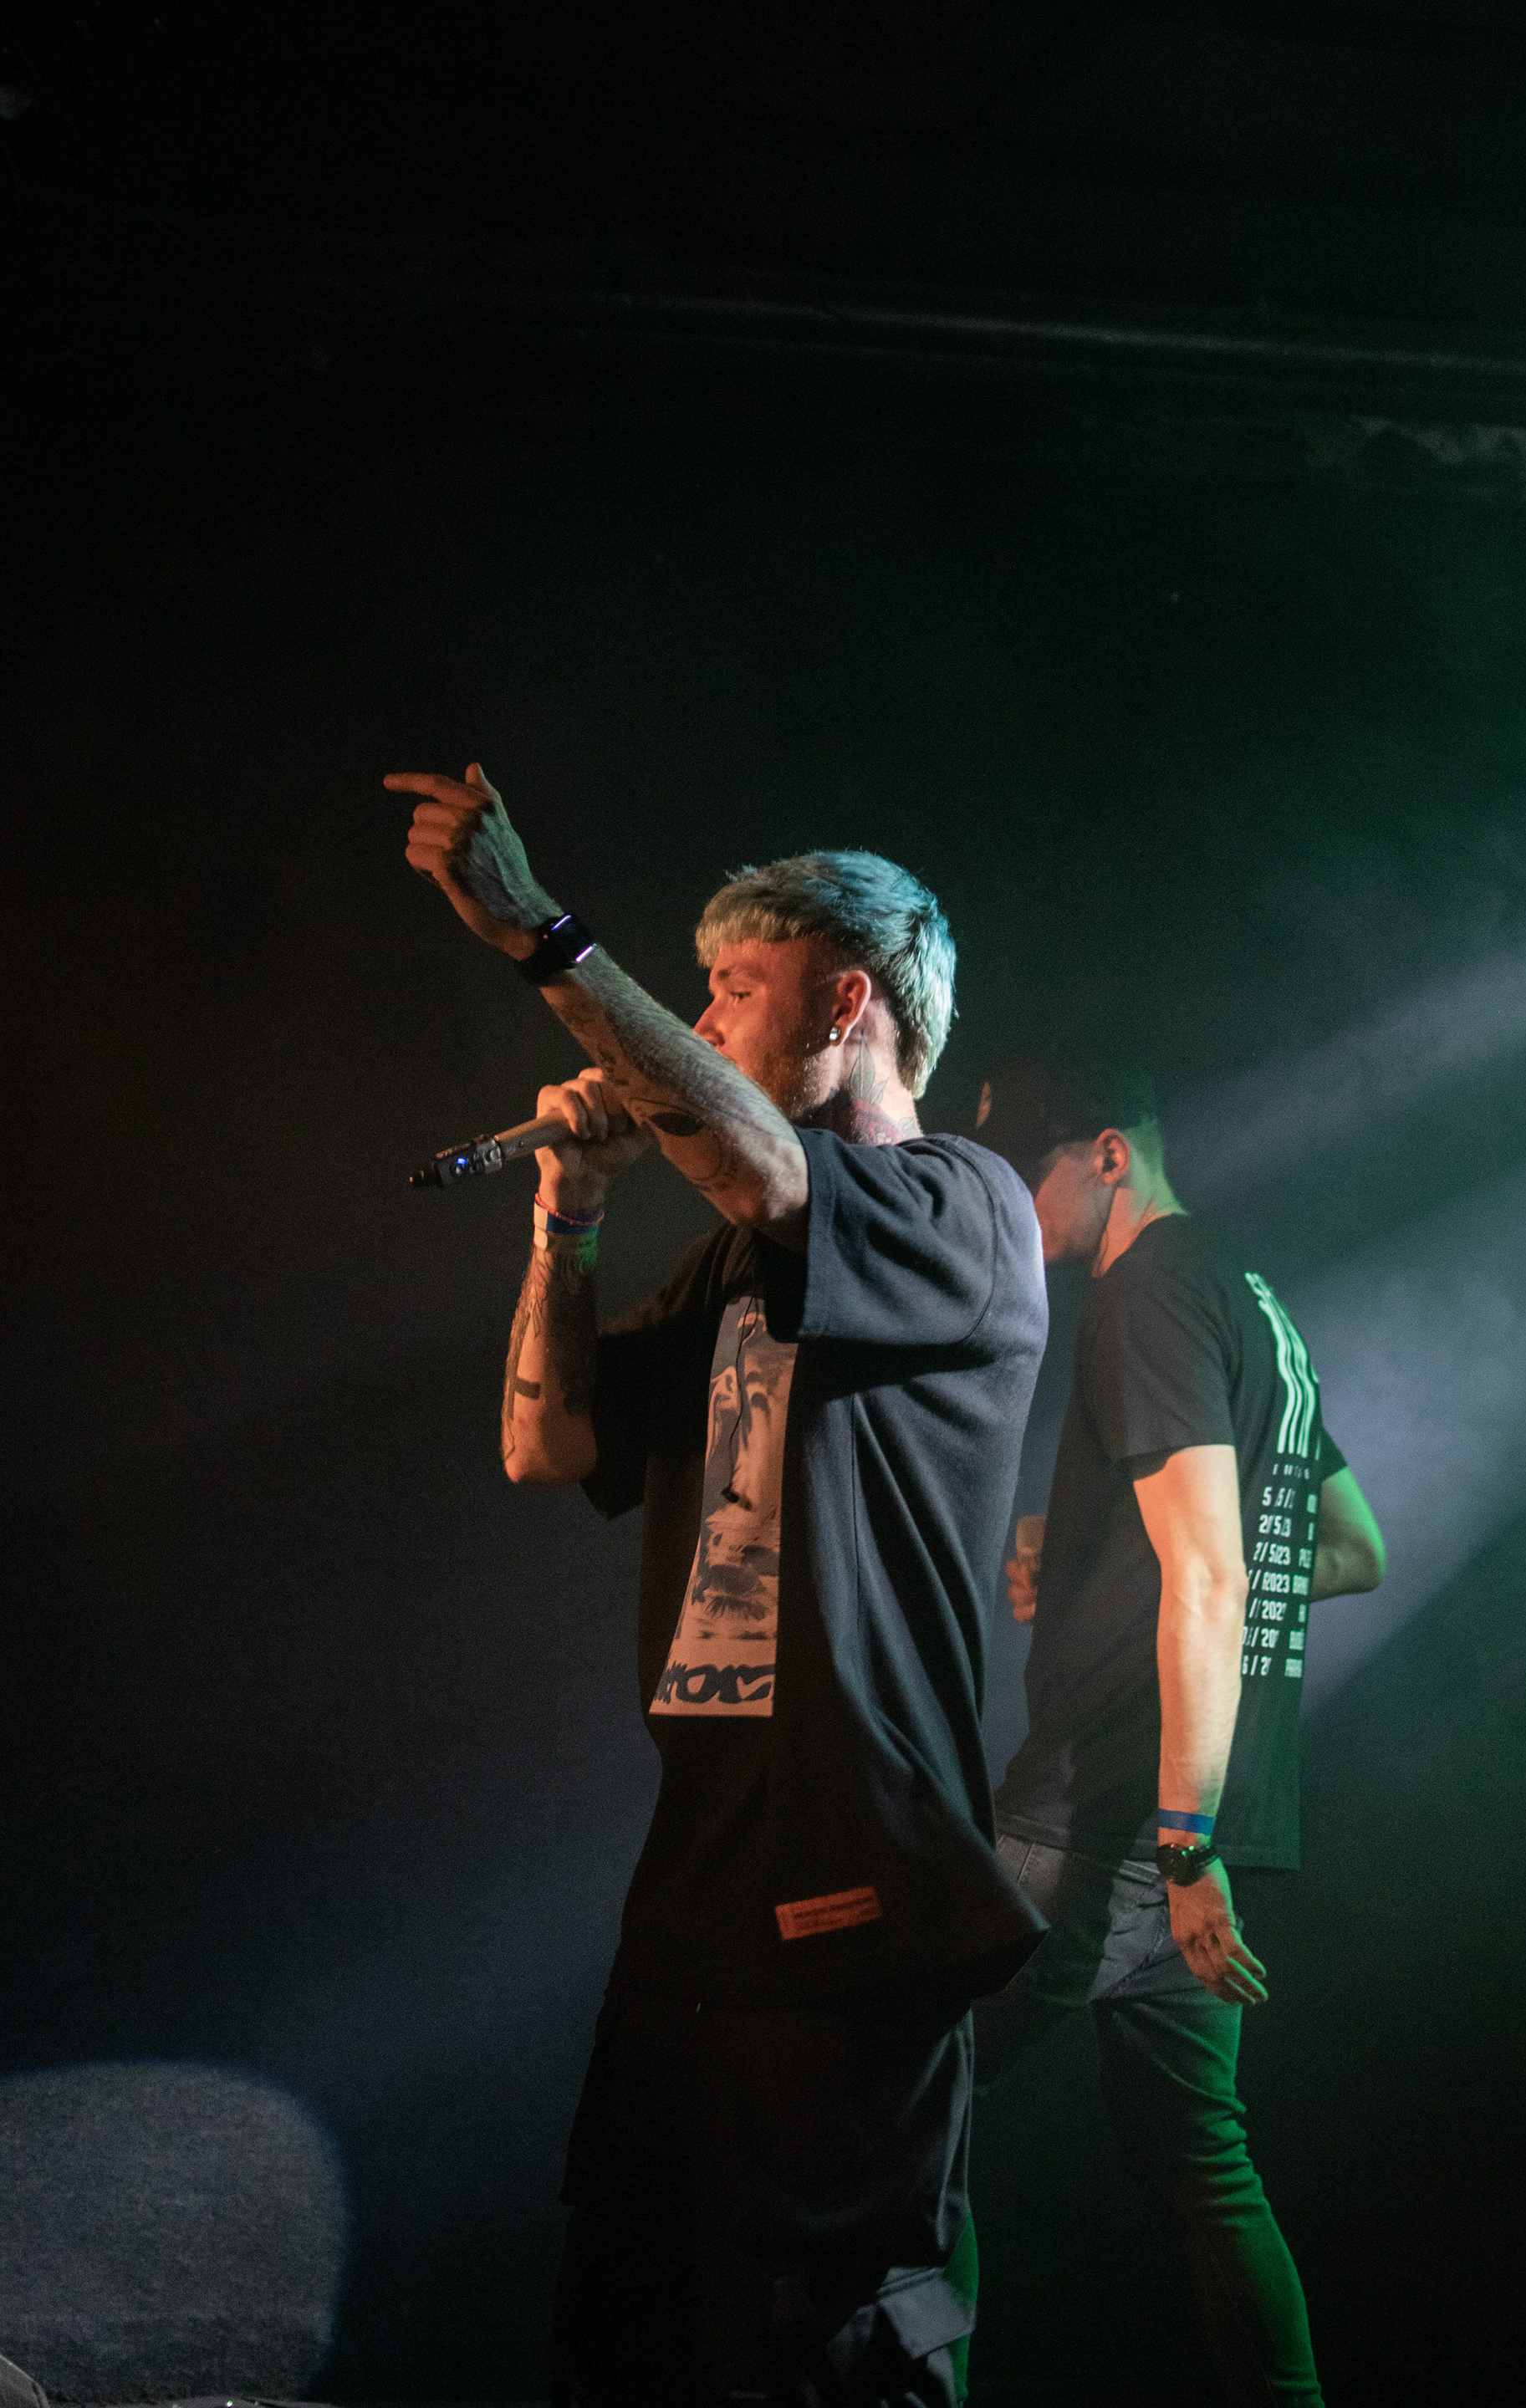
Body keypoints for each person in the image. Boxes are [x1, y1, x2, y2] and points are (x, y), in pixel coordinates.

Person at [387, 762, 1050, 2408]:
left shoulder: (966, 1210)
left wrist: (544, 940)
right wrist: (567, 1212)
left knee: (813, 2347)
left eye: (733, 989)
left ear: (847, 1002)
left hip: (857, 1872)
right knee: (627, 2327)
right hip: (696, 1878)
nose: (697, 1022)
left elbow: (765, 1172)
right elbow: (547, 1447)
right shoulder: (727, 1264)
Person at [970, 1041, 1385, 2408]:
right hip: (1189, 1826)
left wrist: (1183, 1839)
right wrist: (1097, 1555)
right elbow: (1346, 1548)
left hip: (1110, 1816)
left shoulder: (1143, 1291)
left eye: (1030, 1172)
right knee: (1204, 2166)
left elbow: (1211, 1572)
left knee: (897, 2110)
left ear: (1108, 1155)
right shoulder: (1248, 1298)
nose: (1017, 1203)